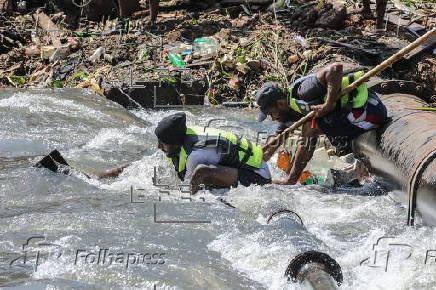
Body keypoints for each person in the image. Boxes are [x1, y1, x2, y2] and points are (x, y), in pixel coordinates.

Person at [256, 63, 387, 185]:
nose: (273, 118)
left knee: (309, 128)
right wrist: (262, 158)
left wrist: (328, 104)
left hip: (369, 113)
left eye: (271, 113)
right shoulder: (288, 111)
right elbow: (279, 136)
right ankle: (291, 177)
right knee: (305, 134)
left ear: (280, 104)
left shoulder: (304, 91)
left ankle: (291, 180)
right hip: (354, 118)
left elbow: (335, 68)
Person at [154, 112, 271, 193]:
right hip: (248, 168)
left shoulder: (195, 155)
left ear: (175, 142)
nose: (159, 146)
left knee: (201, 172)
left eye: (163, 143)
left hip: (258, 177)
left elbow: (189, 189)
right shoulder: (186, 135)